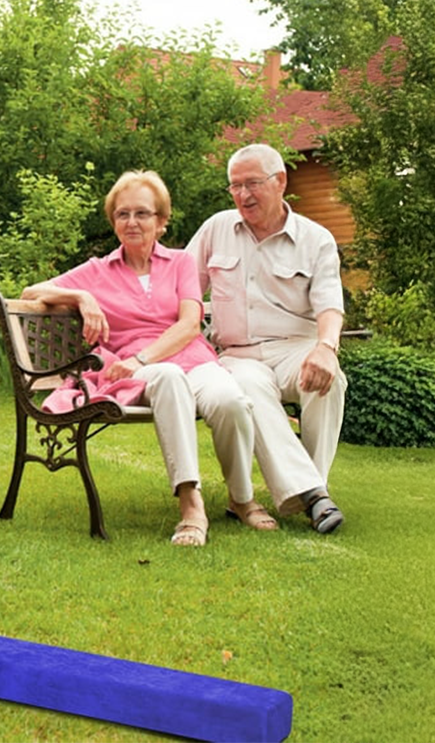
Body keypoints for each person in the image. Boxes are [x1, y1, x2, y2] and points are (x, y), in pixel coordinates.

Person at [22, 170, 264, 547]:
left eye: (142, 213)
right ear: (113, 221)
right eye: (122, 214)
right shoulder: (98, 270)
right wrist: (82, 298)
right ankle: (190, 504)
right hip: (147, 374)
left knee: (230, 401)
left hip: (190, 359)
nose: (131, 222)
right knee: (166, 377)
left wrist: (141, 357)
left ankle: (241, 497)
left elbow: (189, 324)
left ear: (161, 222)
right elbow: (31, 290)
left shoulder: (181, 262)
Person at [186, 143, 345, 534]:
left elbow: (329, 305)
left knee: (330, 381)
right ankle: (315, 499)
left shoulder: (316, 239)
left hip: (297, 347)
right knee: (247, 388)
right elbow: (182, 287)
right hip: (239, 354)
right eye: (235, 186)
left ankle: (310, 488)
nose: (243, 195)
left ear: (280, 182)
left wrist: (326, 349)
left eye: (252, 183)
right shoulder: (216, 229)